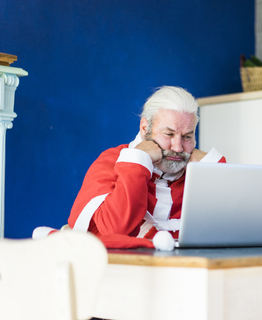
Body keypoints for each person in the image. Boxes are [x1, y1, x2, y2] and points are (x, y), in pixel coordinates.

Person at [67, 86, 226, 241]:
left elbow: (229, 229)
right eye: (168, 134)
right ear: (144, 128)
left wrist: (213, 169)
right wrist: (137, 162)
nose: (178, 148)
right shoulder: (111, 161)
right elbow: (113, 232)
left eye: (187, 137)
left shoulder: (198, 168)